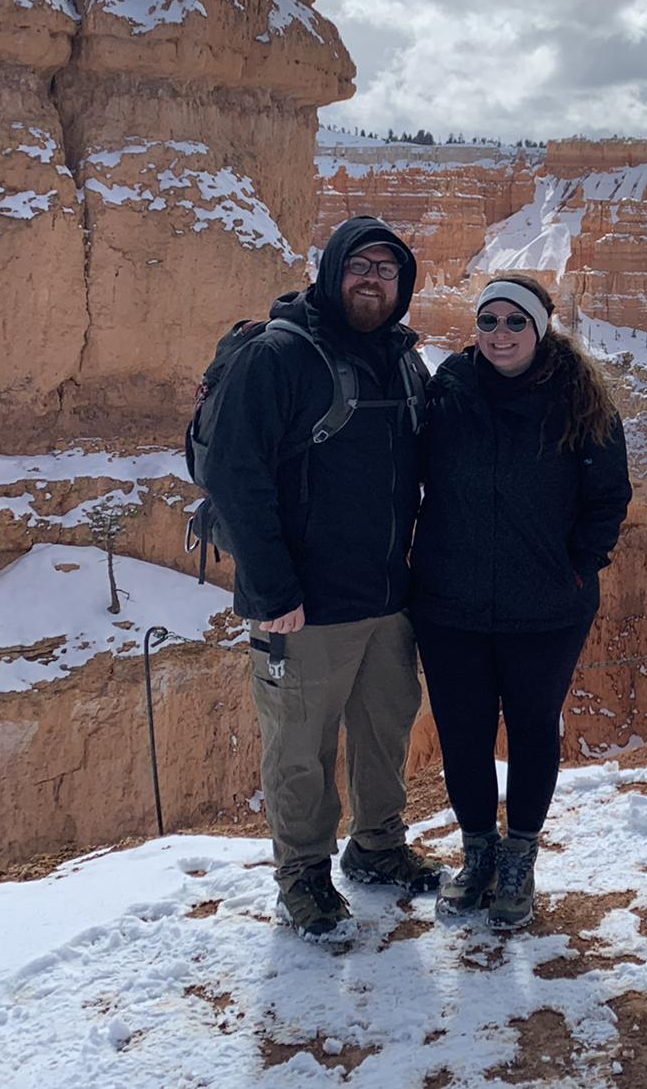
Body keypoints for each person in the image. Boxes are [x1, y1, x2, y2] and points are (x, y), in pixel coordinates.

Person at [201, 215, 440, 939]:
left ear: (402, 286)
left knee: (384, 728)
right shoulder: (279, 356)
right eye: (359, 267)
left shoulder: (403, 361)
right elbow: (234, 475)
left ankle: (377, 848)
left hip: (386, 598)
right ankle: (303, 876)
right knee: (300, 745)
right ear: (332, 271)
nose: (373, 280)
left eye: (387, 270)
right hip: (301, 607)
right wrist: (273, 592)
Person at [410, 273, 633, 930]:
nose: (500, 334)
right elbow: (400, 465)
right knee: (464, 733)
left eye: (515, 322)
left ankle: (519, 859)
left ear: (539, 329)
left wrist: (576, 568)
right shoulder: (448, 388)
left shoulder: (579, 397)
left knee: (534, 729)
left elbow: (609, 495)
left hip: (547, 608)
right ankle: (478, 852)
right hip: (451, 603)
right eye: (489, 321)